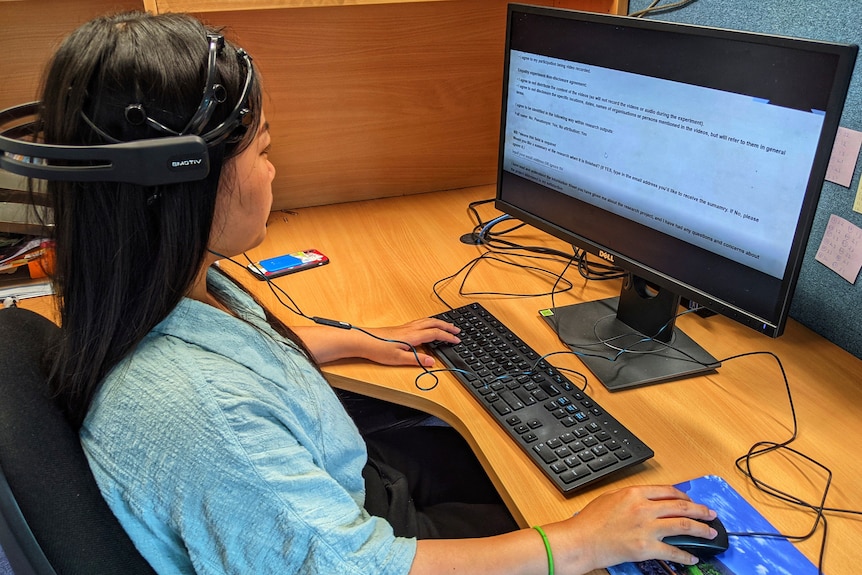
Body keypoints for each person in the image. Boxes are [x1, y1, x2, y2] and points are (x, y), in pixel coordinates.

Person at [34, 11, 719, 575]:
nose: (275, 171)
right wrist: (577, 543)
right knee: (599, 538)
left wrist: (357, 339)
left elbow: (234, 361)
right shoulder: (207, 418)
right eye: (264, 150)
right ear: (188, 184)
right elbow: (359, 567)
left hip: (349, 487)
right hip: (366, 537)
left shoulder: (150, 288)